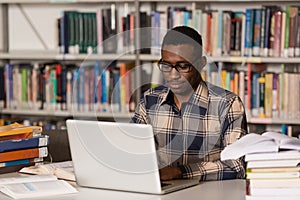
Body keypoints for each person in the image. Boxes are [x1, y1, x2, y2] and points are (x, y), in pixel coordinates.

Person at [131, 26, 248, 181]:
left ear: (201, 64)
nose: (173, 75)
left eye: (183, 66)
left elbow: (237, 166)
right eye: (166, 65)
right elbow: (133, 153)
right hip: (163, 193)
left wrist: (179, 172)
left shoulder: (228, 104)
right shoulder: (149, 101)